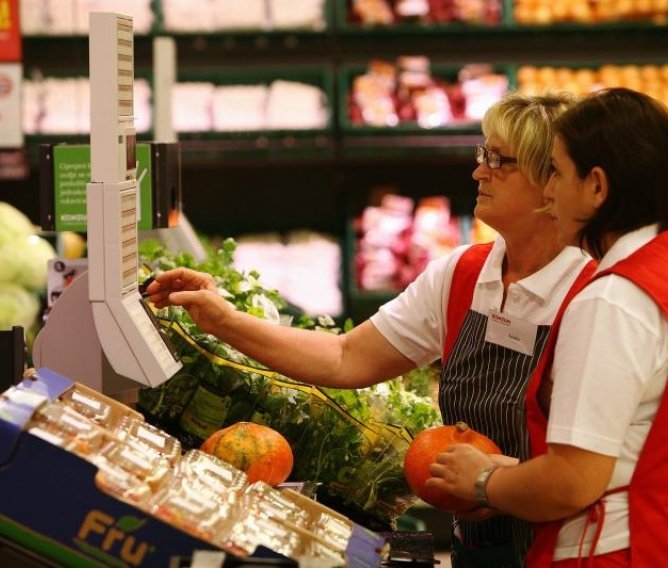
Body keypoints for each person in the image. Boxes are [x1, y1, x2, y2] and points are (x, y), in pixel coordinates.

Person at [147, 93, 595, 567]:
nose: (478, 171)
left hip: (568, 550)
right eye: (481, 155)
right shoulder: (463, 274)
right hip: (482, 548)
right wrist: (223, 319)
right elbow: (346, 356)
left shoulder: (593, 294)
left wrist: (493, 483)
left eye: (498, 160)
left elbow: (594, 469)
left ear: (553, 181)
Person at [425, 88, 668, 567]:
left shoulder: (610, 300)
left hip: (613, 551)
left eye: (555, 170)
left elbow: (571, 483)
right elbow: (637, 452)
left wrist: (482, 482)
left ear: (596, 186)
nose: (546, 191)